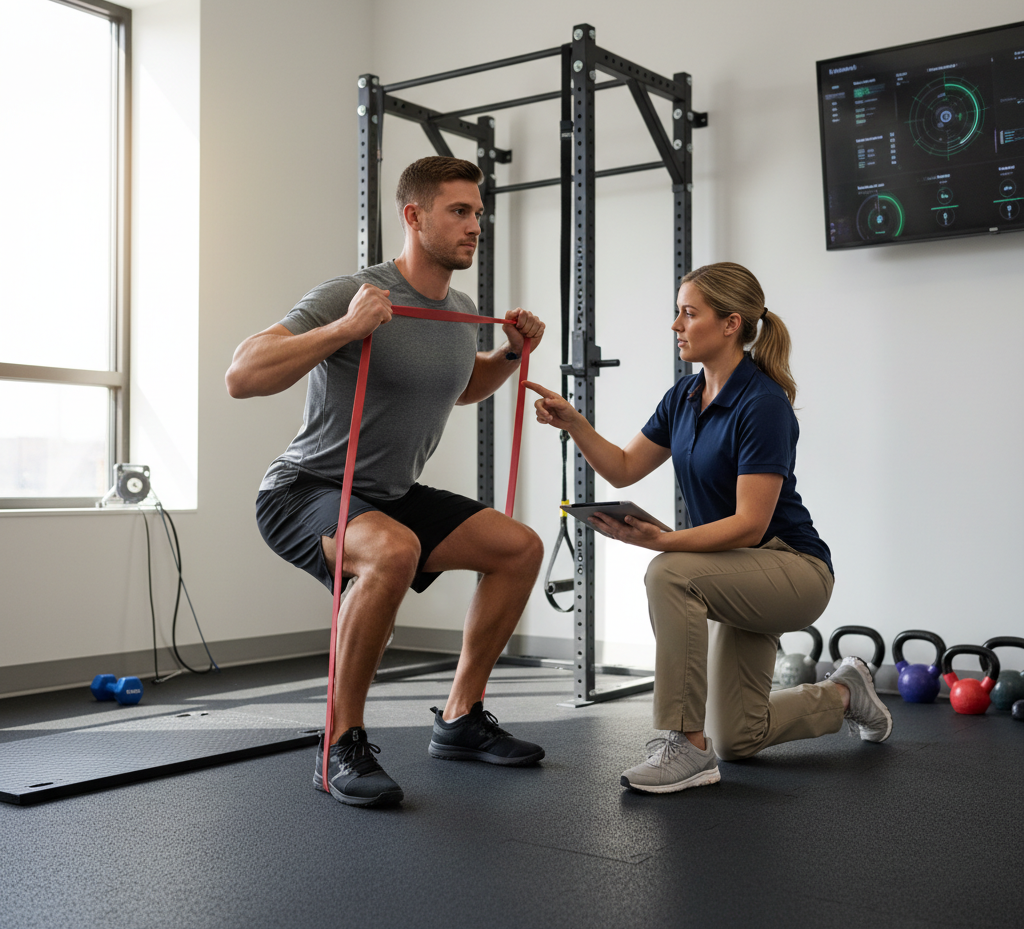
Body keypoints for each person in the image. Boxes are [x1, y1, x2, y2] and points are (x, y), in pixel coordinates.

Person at [226, 156, 547, 808]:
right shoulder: (354, 292)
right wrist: (346, 327)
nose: (475, 226)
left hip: (390, 495)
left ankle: (460, 718)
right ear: (414, 216)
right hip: (304, 488)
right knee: (394, 550)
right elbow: (243, 374)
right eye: (459, 211)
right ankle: (339, 744)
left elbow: (462, 386)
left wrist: (511, 353)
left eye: (478, 213)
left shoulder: (460, 310)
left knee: (519, 548)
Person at [525, 261, 891, 795]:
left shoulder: (762, 404)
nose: (676, 325)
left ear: (730, 324)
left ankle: (687, 745)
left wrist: (662, 541)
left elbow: (749, 525)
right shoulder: (684, 397)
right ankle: (846, 694)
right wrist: (575, 423)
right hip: (736, 571)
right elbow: (624, 467)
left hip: (794, 568)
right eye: (678, 313)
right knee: (741, 736)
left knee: (668, 572)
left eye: (689, 313)